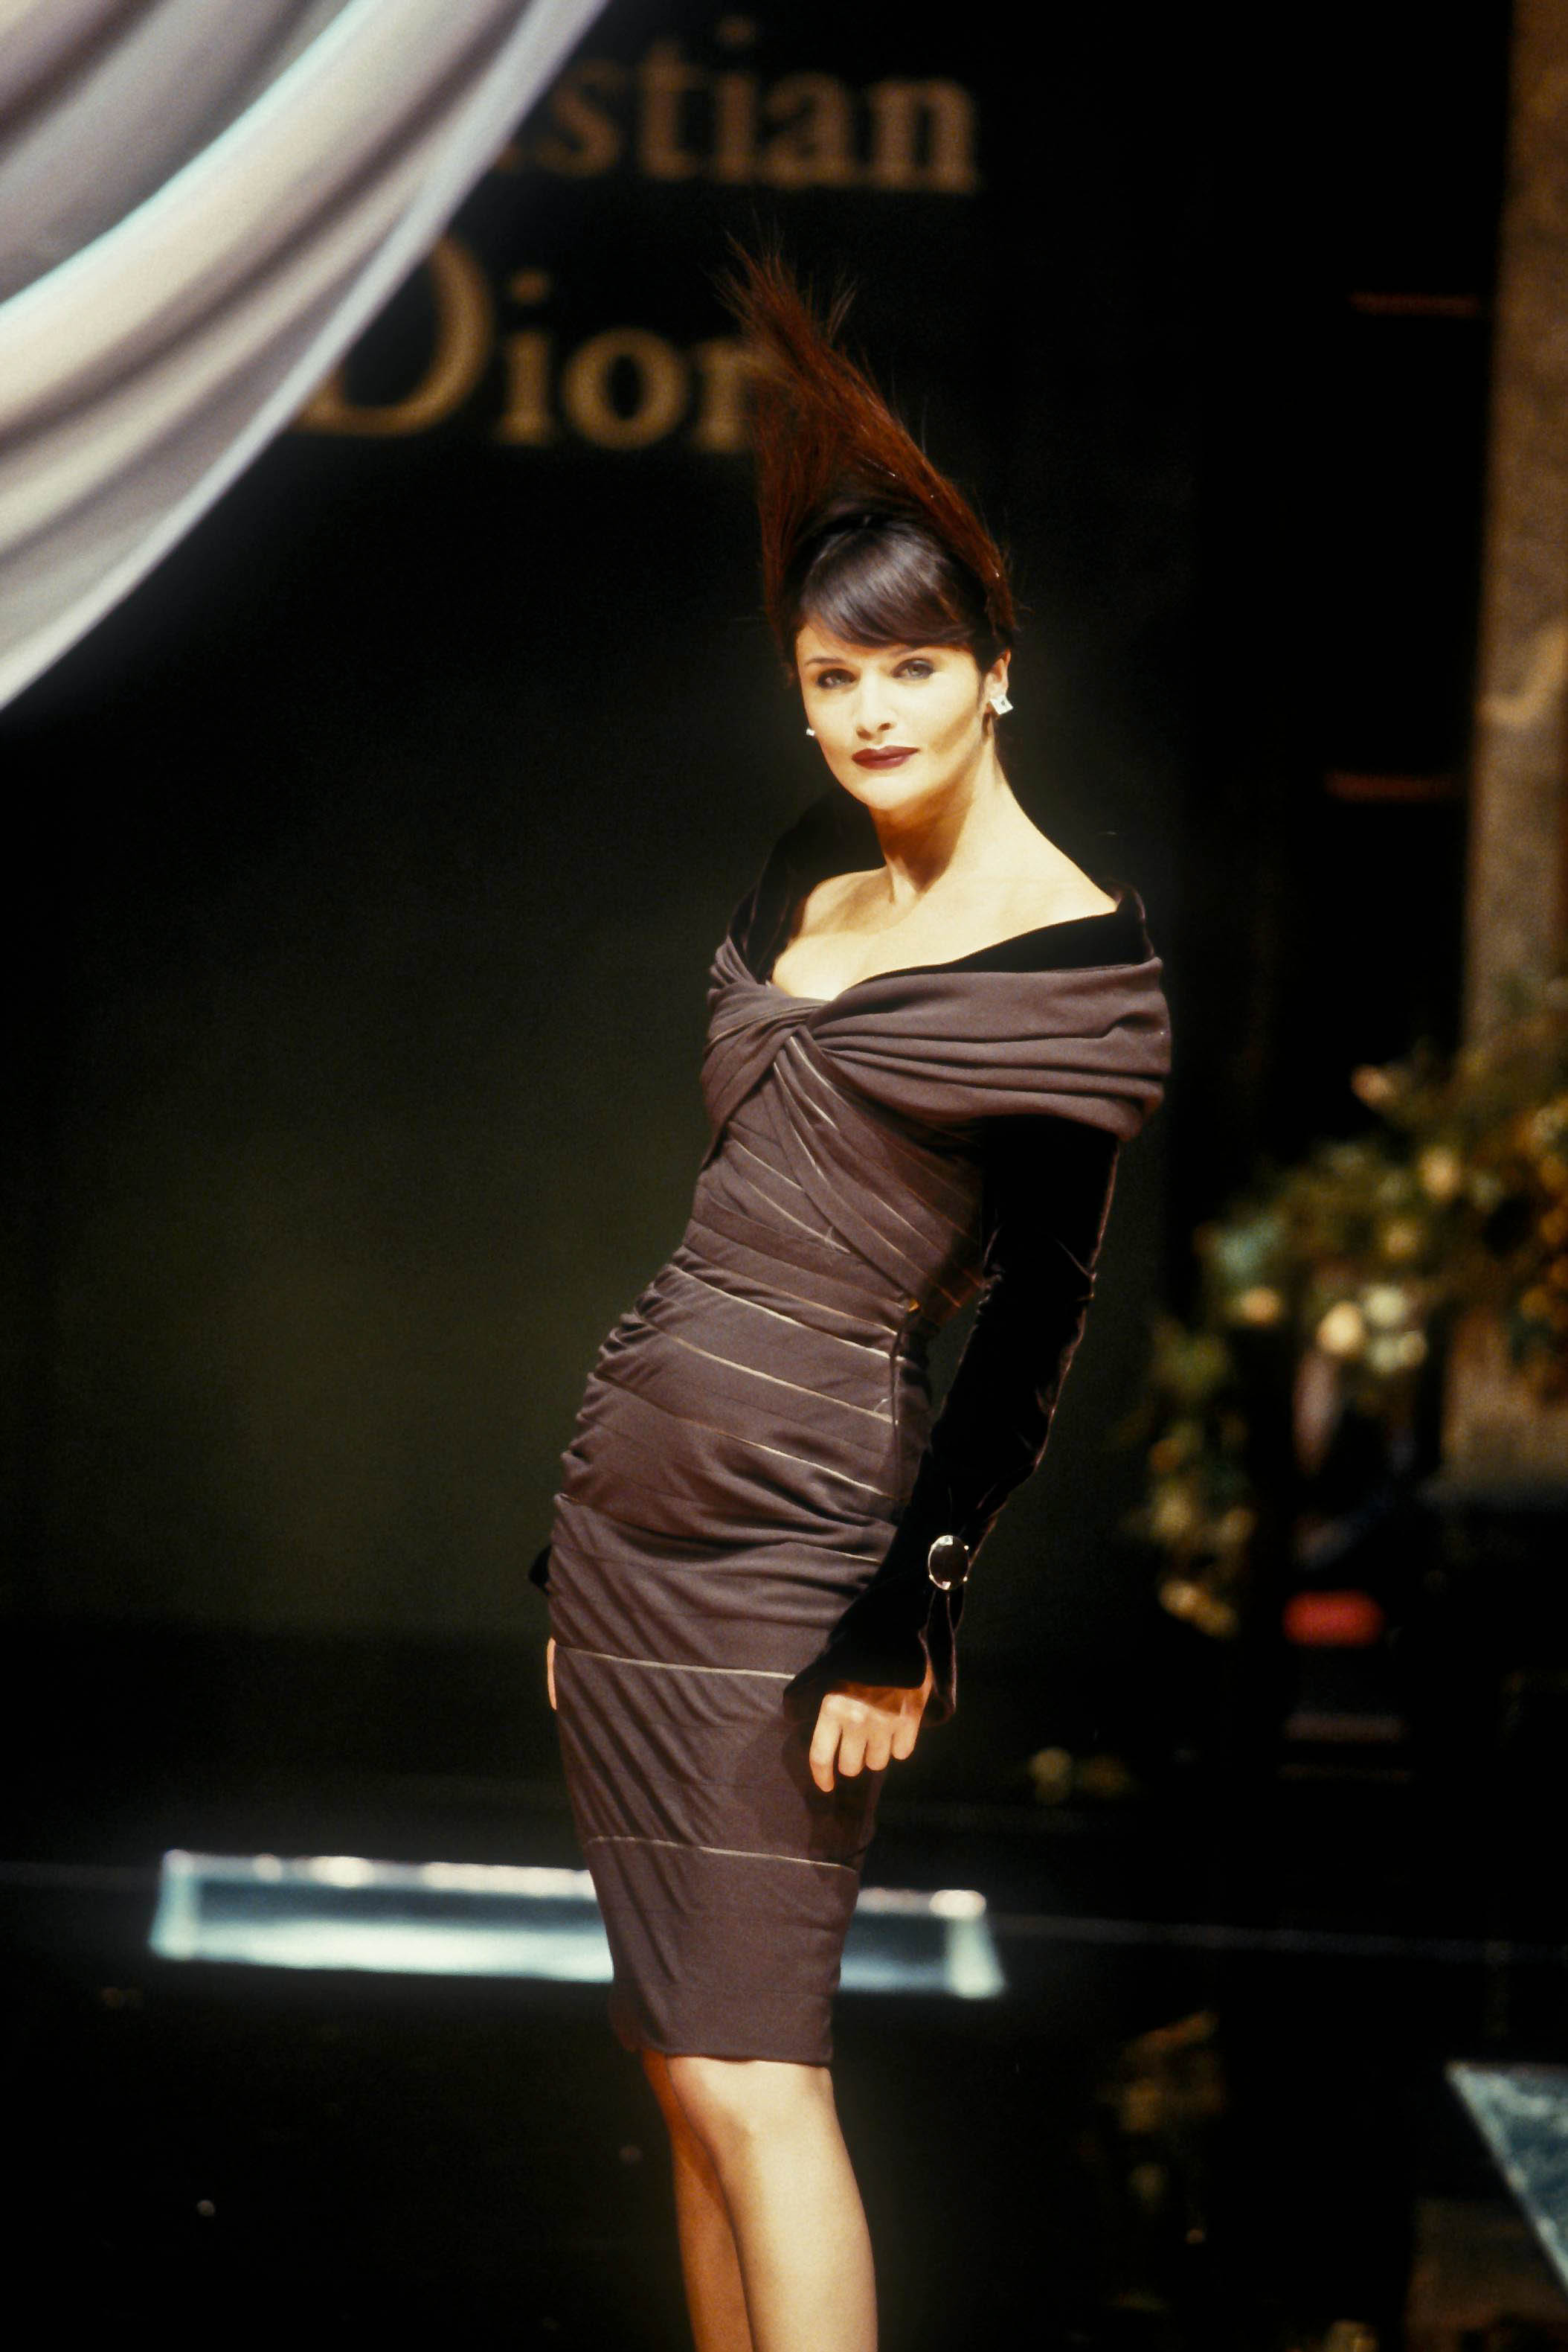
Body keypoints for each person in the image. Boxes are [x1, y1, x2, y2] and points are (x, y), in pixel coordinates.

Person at [530, 247, 1171, 2352]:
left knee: (757, 2069)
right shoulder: (808, 870)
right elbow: (732, 1209)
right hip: (630, 1512)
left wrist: (913, 1604)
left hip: (805, 1538)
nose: (873, 709)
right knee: (674, 2059)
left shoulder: (1074, 966)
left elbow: (1032, 1330)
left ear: (999, 673)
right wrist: (582, 1535)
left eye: (911, 666)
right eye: (832, 674)